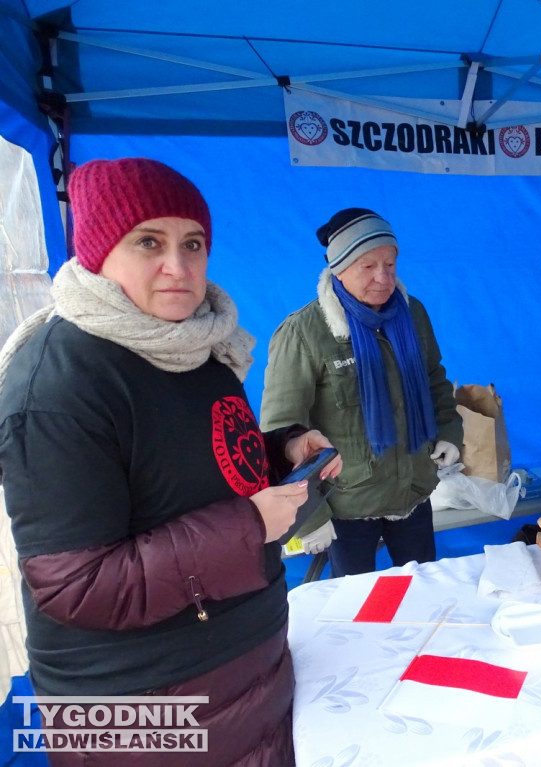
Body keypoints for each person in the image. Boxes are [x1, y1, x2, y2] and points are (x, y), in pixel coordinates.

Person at [0, 157, 342, 765]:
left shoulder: (196, 345)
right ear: (100, 250)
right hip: (141, 710)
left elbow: (188, 463)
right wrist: (248, 527)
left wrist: (280, 450)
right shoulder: (57, 387)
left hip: (242, 670)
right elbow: (77, 587)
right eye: (148, 242)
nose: (178, 267)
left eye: (193, 243)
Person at [260, 207, 463, 577]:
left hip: (413, 491)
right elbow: (281, 431)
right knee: (354, 614)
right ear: (338, 268)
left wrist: (449, 432)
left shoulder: (411, 314)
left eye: (390, 264)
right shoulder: (305, 333)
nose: (383, 278)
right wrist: (309, 516)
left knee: (427, 594)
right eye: (367, 266)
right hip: (345, 505)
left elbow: (434, 379)